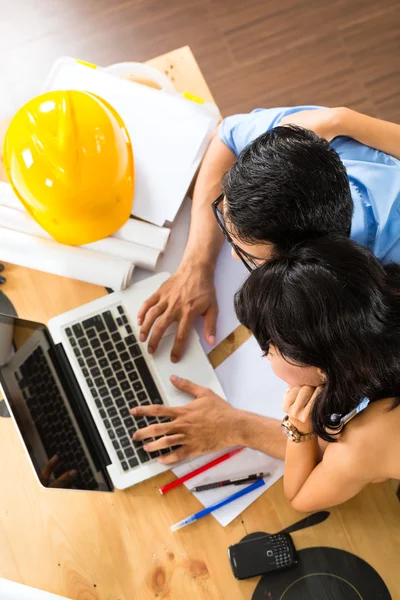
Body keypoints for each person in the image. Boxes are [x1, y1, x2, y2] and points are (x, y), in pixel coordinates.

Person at [131, 234, 400, 511]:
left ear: (321, 369)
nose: (264, 354)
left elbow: (300, 496)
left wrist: (299, 427)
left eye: (267, 349)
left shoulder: (365, 440)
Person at [137, 106, 400, 362]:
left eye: (252, 257)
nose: (232, 255)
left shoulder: (382, 284)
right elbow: (225, 137)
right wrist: (198, 265)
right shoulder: (299, 145)